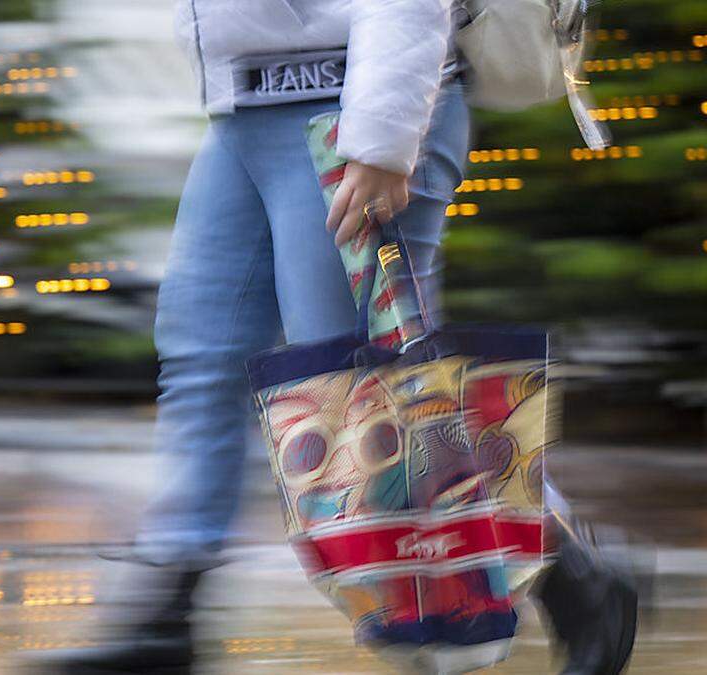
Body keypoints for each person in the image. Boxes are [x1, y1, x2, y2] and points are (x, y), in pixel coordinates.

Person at [33, 1, 637, 673]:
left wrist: (381, 137)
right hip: (243, 109)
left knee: (373, 383)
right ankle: (166, 612)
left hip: (354, 102)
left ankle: (574, 579)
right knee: (203, 360)